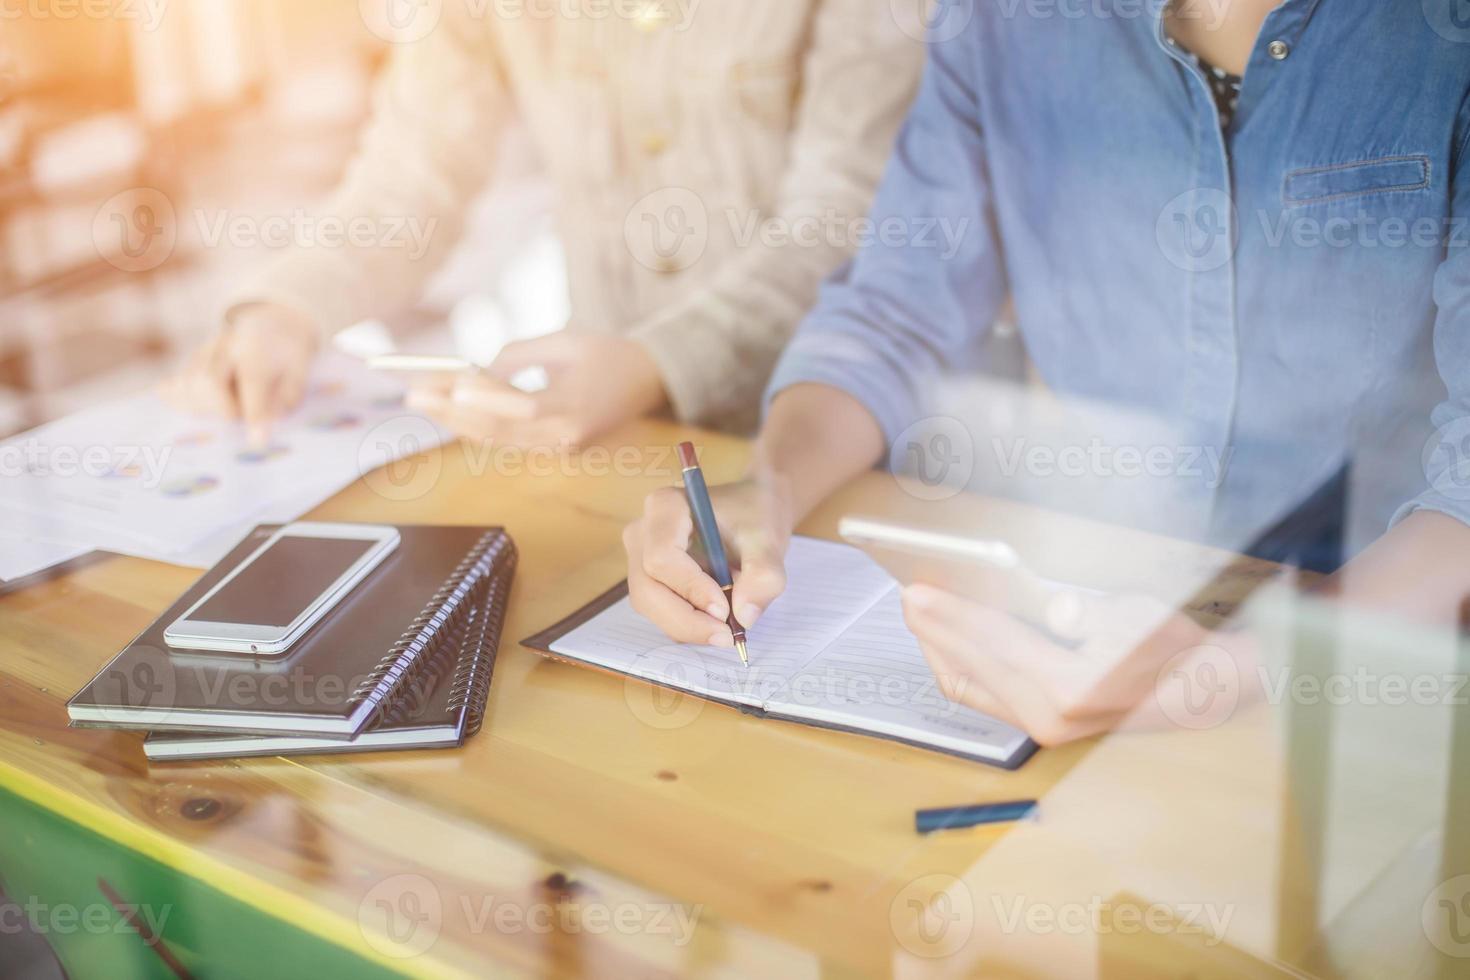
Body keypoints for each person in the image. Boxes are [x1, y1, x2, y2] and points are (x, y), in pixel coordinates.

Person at [624, 0, 1470, 744]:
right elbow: (895, 315)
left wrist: (1253, 665)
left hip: (1383, 652)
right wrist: (766, 490)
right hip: (1080, 604)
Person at [166, 1, 923, 445]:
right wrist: (286, 309)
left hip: (843, 425)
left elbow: (844, 218)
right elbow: (412, 177)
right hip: (612, 431)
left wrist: (656, 362)